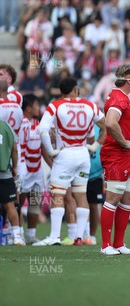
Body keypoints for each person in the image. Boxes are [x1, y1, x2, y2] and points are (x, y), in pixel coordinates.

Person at [33, 77, 106, 246]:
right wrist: (95, 146)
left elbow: (42, 130)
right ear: (75, 89)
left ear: (61, 91)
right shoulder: (90, 105)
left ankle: (54, 237)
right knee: (81, 195)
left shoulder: (56, 105)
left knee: (58, 194)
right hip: (83, 154)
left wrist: (51, 151)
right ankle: (80, 237)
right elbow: (106, 126)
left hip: (65, 154)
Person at [99, 64, 130, 255]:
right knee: (113, 197)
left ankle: (119, 243)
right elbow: (110, 122)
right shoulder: (117, 98)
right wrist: (124, 141)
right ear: (128, 78)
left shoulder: (123, 98)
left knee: (129, 196)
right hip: (116, 154)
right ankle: (106, 245)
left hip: (127, 154)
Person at [17, 94, 47, 244]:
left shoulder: (38, 124)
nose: (38, 108)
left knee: (35, 202)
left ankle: (31, 235)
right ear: (28, 109)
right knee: (19, 202)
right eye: (36, 105)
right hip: (24, 170)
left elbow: (44, 148)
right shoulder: (21, 124)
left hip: (37, 171)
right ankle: (17, 234)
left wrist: (53, 166)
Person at [0, 118, 23, 245]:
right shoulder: (6, 126)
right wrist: (15, 166)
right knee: (10, 205)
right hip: (4, 171)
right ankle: (17, 236)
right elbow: (14, 148)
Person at [83, 124, 105, 246]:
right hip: (79, 172)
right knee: (78, 204)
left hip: (95, 173)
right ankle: (80, 233)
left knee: (94, 205)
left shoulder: (100, 127)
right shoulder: (78, 125)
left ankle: (91, 235)